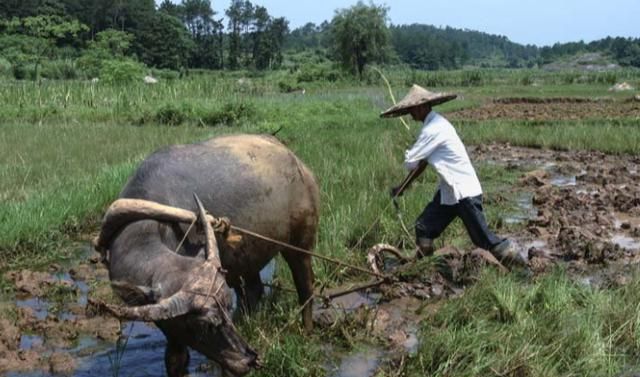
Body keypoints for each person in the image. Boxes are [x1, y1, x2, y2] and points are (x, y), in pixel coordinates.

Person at [380, 84, 525, 265]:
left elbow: (411, 162)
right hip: (449, 193)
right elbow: (422, 164)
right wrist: (402, 187)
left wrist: (406, 173)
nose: (411, 114)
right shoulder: (435, 124)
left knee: (485, 240)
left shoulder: (433, 129)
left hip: (464, 193)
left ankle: (523, 272)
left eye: (412, 109)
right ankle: (423, 267)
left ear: (423, 106)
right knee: (424, 227)